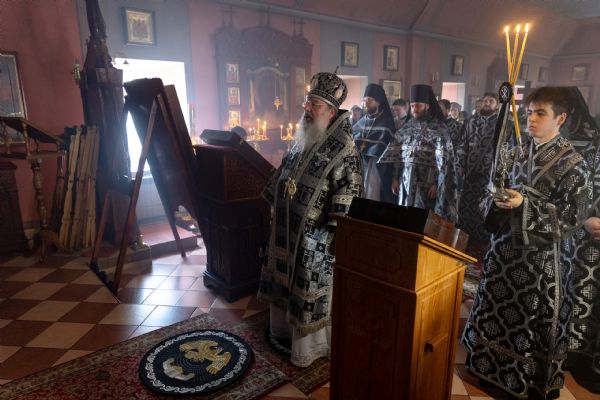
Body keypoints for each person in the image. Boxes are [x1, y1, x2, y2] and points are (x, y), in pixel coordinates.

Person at [462, 87, 591, 400]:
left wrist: (524, 205)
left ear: (560, 118)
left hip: (540, 262)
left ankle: (524, 381)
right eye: (530, 112)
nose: (531, 119)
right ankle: (489, 370)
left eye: (540, 113)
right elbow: (492, 189)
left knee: (528, 323)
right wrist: (496, 200)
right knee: (495, 314)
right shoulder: (516, 153)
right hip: (502, 253)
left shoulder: (574, 165)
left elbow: (572, 217)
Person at [257, 72, 363, 368]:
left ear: (331, 111)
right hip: (286, 228)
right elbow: (284, 170)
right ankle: (282, 330)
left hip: (315, 238)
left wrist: (335, 227)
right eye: (307, 102)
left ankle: (310, 347)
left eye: (314, 104)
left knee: (306, 286)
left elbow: (351, 191)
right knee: (283, 280)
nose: (307, 108)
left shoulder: (344, 149)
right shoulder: (305, 136)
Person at [561, 87, 600, 394]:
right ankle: (569, 351)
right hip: (575, 233)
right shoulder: (583, 143)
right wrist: (584, 217)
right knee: (573, 290)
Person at [379, 84, 458, 223]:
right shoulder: (407, 127)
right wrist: (395, 178)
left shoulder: (439, 129)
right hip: (406, 179)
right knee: (405, 217)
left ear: (427, 106)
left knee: (424, 219)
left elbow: (445, 162)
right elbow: (397, 154)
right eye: (412, 106)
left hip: (427, 181)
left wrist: (436, 184)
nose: (414, 109)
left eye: (418, 106)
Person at [457, 93, 500, 258]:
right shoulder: (471, 122)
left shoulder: (503, 124)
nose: (487, 103)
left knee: (484, 205)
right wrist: (461, 164)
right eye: (485, 101)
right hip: (470, 171)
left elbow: (506, 149)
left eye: (491, 101)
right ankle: (466, 237)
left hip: (489, 173)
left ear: (497, 105)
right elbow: (463, 143)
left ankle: (483, 241)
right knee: (467, 204)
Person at [352, 83, 396, 203]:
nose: (365, 104)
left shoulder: (386, 122)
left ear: (378, 102)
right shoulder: (361, 121)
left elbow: (391, 150)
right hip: (359, 165)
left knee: (372, 196)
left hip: (376, 168)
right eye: (364, 100)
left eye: (369, 100)